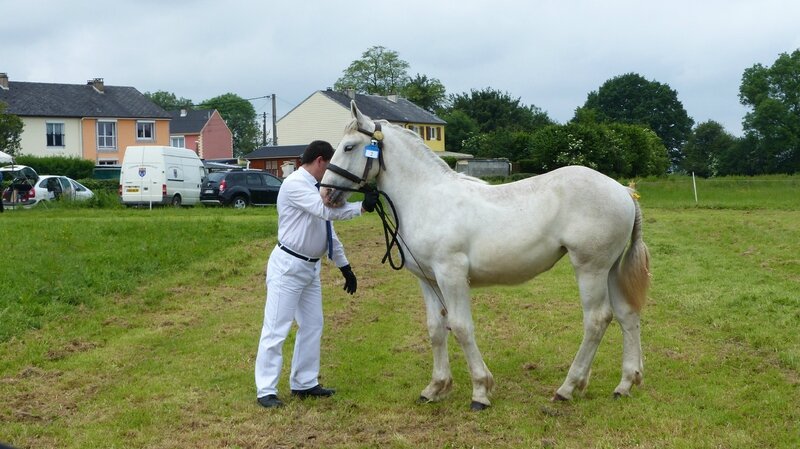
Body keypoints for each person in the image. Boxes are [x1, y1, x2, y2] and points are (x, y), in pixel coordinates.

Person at [255, 140, 379, 409]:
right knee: (277, 328)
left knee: (313, 325)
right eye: (330, 166)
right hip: (288, 266)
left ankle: (304, 383)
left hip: (310, 267)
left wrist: (344, 266)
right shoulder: (296, 184)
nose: (331, 173)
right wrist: (362, 208)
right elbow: (326, 212)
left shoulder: (315, 187)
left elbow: (327, 231)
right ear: (321, 161)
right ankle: (265, 390)